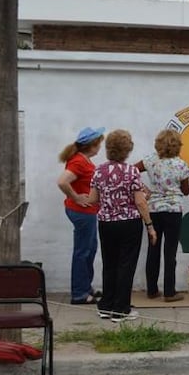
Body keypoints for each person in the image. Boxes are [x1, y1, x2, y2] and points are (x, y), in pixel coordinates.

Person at [87, 129, 157, 322]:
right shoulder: (131, 171)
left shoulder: (99, 170)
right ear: (127, 150)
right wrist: (149, 225)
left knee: (109, 263)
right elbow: (140, 202)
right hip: (129, 222)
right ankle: (121, 309)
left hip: (106, 222)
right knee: (126, 264)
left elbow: (93, 198)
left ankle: (106, 305)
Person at [135, 129, 189, 302]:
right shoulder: (181, 164)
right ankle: (169, 291)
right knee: (170, 252)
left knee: (153, 250)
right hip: (173, 211)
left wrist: (145, 189)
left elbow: (132, 171)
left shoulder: (150, 160)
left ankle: (152, 290)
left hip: (153, 210)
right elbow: (186, 190)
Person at [57, 126, 105, 305]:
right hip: (82, 212)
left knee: (89, 249)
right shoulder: (79, 162)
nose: (100, 146)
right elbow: (62, 181)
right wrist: (76, 197)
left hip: (86, 212)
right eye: (99, 143)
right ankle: (79, 293)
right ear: (92, 145)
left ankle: (86, 287)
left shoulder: (82, 159)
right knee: (83, 251)